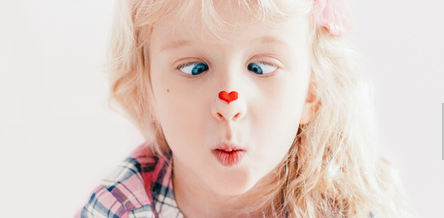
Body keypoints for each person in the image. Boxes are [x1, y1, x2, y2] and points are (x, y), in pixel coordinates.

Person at [76, 0, 414, 217]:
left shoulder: (352, 209)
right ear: (147, 90)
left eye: (261, 68)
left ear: (311, 93)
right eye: (195, 68)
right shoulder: (117, 208)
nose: (229, 105)